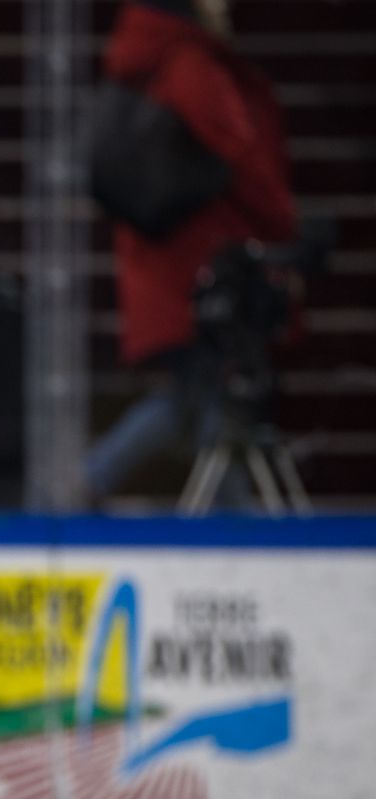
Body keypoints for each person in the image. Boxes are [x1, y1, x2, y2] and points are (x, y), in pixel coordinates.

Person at [84, 0, 297, 506]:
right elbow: (247, 163)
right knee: (202, 402)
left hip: (166, 270)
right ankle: (84, 484)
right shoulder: (191, 64)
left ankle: (86, 485)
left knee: (202, 403)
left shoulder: (151, 59)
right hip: (201, 270)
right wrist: (288, 229)